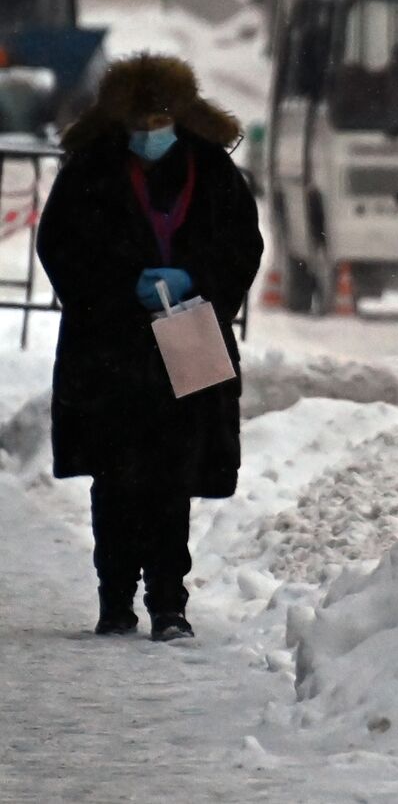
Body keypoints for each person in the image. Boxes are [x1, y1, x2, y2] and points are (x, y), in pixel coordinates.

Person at [37, 53, 262, 641]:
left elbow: (241, 244)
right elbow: (60, 246)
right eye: (140, 124)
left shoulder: (211, 170)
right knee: (114, 478)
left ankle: (169, 602)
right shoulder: (90, 170)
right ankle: (115, 600)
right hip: (109, 347)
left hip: (185, 339)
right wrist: (117, 287)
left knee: (171, 477)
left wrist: (198, 279)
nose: (149, 135)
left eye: (159, 123)